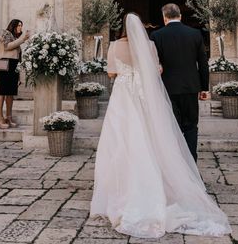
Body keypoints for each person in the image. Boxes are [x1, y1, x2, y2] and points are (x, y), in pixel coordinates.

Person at [90, 13, 230, 238]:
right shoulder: (150, 46)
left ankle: (120, 189)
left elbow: (110, 73)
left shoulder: (114, 46)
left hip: (123, 97)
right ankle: (161, 183)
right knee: (150, 137)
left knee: (120, 140)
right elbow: (157, 71)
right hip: (144, 97)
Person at [150, 3, 209, 162]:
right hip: (191, 87)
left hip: (167, 88)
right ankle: (191, 163)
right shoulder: (195, 34)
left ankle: (175, 164)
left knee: (171, 128)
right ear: (180, 16)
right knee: (191, 127)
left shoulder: (156, 36)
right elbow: (203, 63)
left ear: (164, 17)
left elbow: (154, 64)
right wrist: (204, 88)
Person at [0, 19, 29, 129]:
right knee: (3, 91)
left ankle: (8, 117)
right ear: (13, 25)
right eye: (18, 25)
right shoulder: (6, 34)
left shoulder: (16, 38)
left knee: (10, 93)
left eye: (21, 26)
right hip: (4, 64)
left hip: (13, 66)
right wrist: (23, 39)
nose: (20, 28)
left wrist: (18, 74)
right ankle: (0, 118)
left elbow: (17, 56)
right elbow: (7, 46)